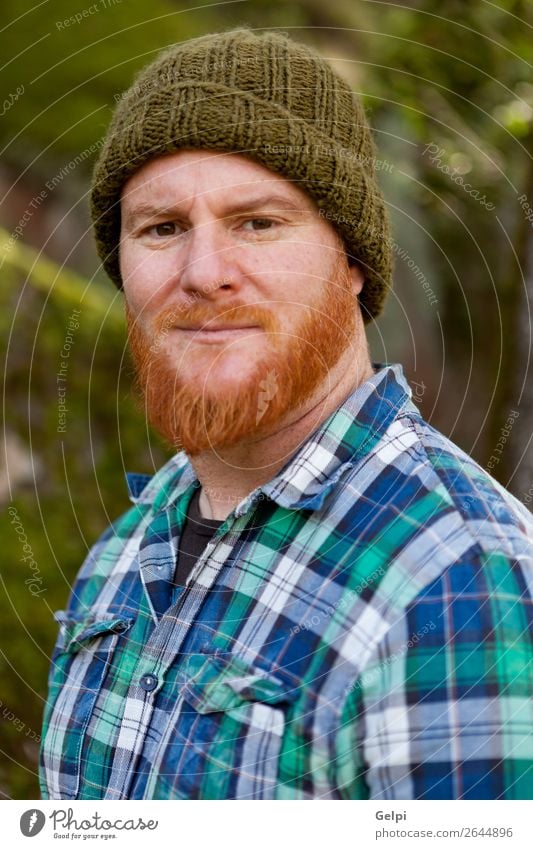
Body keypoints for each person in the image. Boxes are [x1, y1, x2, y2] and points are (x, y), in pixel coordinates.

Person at [40, 27, 533, 801]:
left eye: (258, 222)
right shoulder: (126, 552)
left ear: (354, 263)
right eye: (162, 228)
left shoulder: (453, 577)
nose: (203, 274)